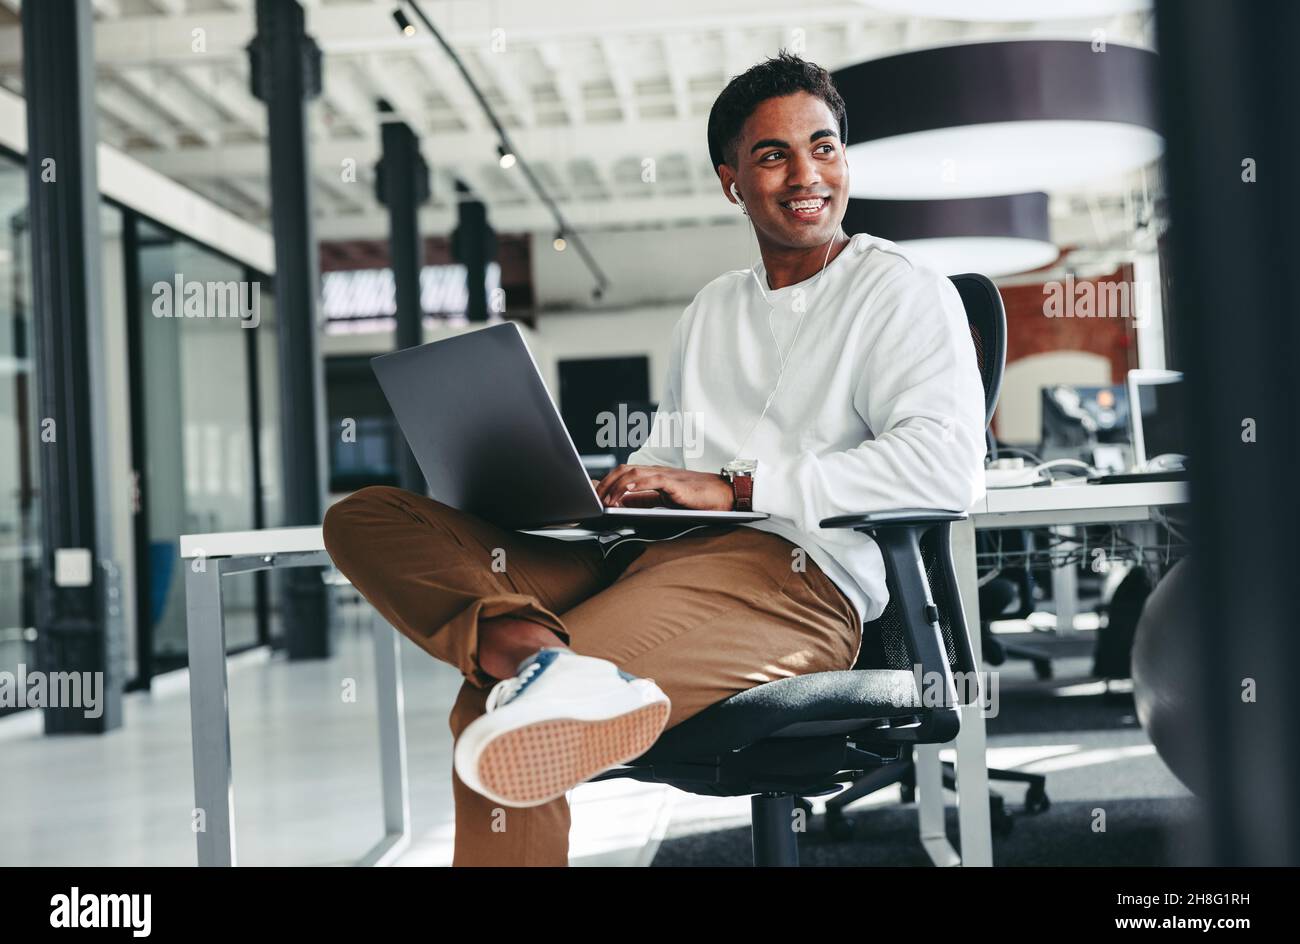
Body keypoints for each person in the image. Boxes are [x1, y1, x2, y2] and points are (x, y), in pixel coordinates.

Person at [322, 51, 986, 867]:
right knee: (367, 516)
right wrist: (614, 487)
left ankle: (538, 673)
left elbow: (945, 468)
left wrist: (738, 486)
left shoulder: (903, 291)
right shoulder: (713, 309)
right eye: (773, 154)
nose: (806, 173)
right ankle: (543, 660)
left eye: (824, 146)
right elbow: (674, 455)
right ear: (730, 180)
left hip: (792, 584)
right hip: (645, 560)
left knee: (498, 716)